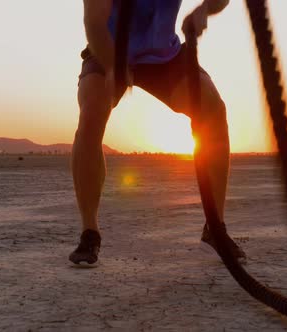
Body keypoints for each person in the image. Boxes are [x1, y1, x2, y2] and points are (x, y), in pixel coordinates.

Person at [69, 0, 246, 266]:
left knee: (213, 111)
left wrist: (204, 10)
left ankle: (214, 228)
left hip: (165, 56)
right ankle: (89, 232)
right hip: (108, 49)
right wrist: (113, 66)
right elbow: (94, 23)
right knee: (91, 115)